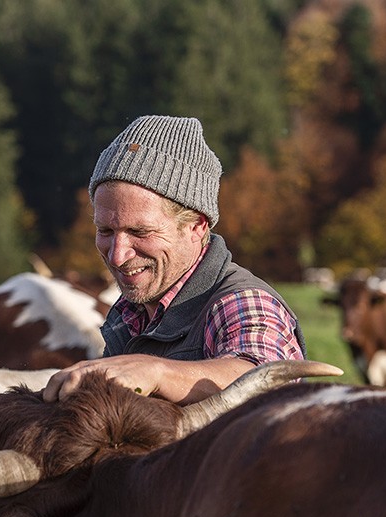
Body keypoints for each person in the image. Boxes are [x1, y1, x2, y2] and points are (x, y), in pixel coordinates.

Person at [44, 114, 306, 404]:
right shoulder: (131, 312)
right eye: (105, 230)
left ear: (197, 227)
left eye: (140, 231)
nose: (118, 255)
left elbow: (267, 378)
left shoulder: (240, 301)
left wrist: (155, 372)